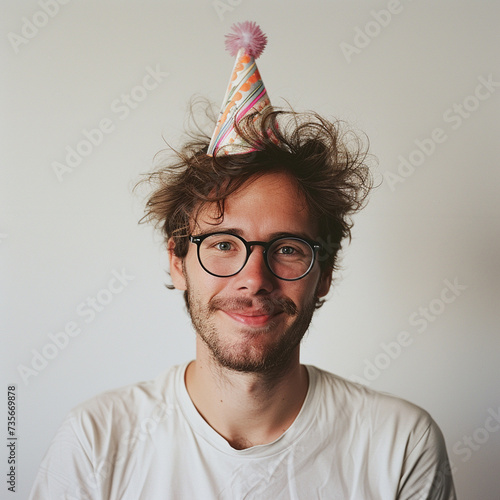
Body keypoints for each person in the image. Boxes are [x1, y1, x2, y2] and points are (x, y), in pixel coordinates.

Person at [29, 22, 456, 499]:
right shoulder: (95, 441)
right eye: (224, 244)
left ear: (325, 275)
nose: (254, 279)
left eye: (288, 249)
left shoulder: (400, 444)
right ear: (177, 260)